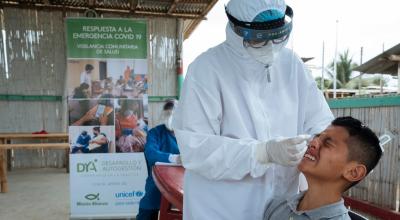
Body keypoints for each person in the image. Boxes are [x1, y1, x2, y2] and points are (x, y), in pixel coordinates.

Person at [172, 0, 334, 219]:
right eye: (259, 41)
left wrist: (316, 142)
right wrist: (262, 153)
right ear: (237, 31)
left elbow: (322, 123)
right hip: (222, 209)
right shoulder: (207, 69)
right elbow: (196, 149)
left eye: (279, 37)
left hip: (282, 206)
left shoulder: (292, 65)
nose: (271, 47)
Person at [263, 116, 382, 219]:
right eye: (317, 137)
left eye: (327, 143)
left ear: (353, 172)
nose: (313, 143)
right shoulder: (279, 207)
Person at [137, 99, 180, 220]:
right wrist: (175, 158)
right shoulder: (155, 133)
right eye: (167, 113)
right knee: (146, 212)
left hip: (181, 188)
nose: (170, 117)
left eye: (173, 113)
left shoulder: (188, 134)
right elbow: (151, 155)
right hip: (156, 188)